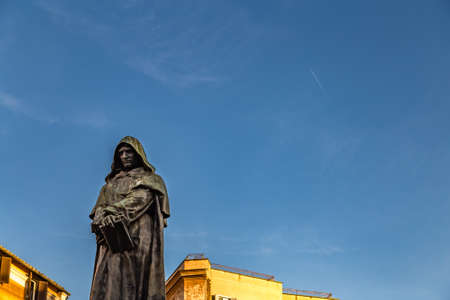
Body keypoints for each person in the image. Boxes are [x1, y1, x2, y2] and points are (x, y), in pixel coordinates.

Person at [89, 136, 170, 300]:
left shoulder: (151, 180)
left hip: (138, 236)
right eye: (121, 153)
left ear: (138, 154)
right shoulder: (109, 185)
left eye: (129, 152)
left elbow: (139, 199)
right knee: (109, 281)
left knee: (134, 279)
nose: (124, 156)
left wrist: (110, 210)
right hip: (111, 238)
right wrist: (100, 217)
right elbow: (97, 209)